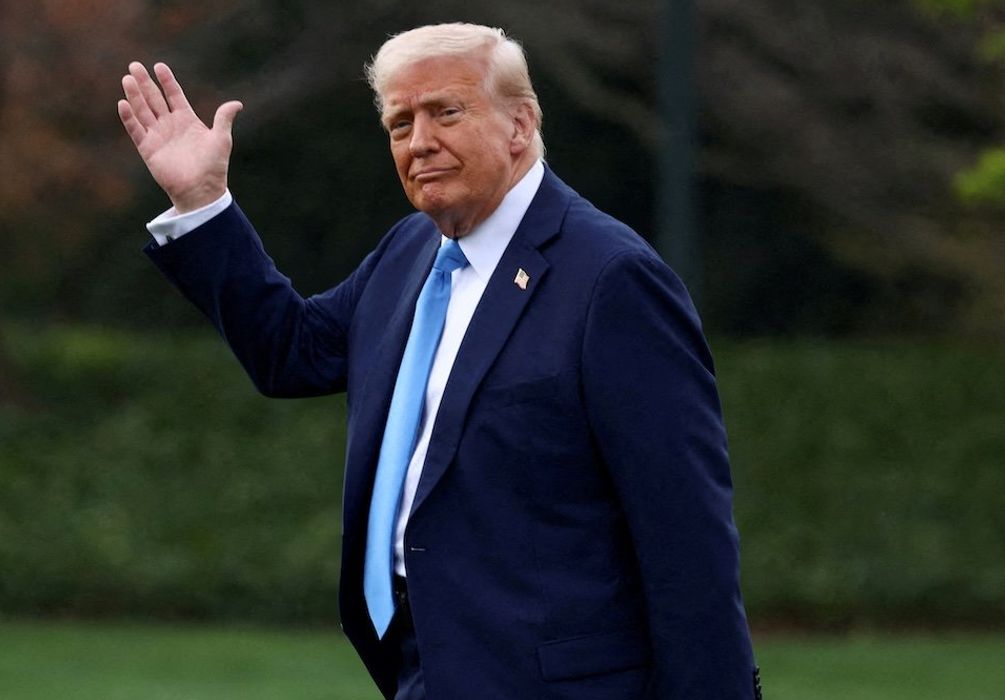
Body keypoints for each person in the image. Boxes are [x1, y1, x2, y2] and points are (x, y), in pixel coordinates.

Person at [118, 22, 761, 700]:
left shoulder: (611, 279)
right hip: (420, 667)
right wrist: (201, 203)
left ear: (520, 124)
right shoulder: (409, 251)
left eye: (444, 113)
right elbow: (293, 353)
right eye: (399, 124)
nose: (418, 141)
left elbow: (687, 539)